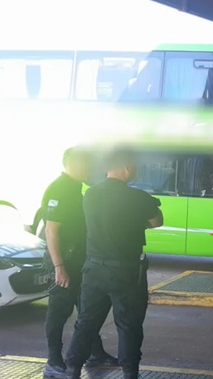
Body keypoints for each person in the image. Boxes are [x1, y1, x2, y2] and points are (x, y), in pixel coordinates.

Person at [64, 148, 163, 379]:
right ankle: (129, 373)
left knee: (86, 323)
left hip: (94, 270)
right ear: (127, 167)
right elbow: (157, 221)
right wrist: (136, 223)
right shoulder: (137, 197)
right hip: (126, 273)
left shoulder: (90, 195)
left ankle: (73, 370)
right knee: (128, 325)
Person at [39, 147, 118, 379]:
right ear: (73, 164)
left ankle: (96, 353)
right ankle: (53, 361)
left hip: (80, 262)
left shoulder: (76, 189)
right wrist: (59, 267)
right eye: (87, 164)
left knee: (87, 310)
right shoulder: (59, 189)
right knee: (58, 312)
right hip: (65, 263)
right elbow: (51, 231)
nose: (90, 169)